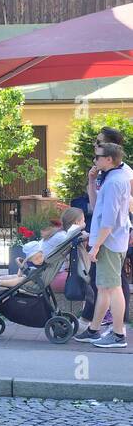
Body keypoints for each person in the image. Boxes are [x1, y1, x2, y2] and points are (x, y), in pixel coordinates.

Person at [76, 142, 129, 348]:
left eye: (97, 157)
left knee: (113, 288)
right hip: (110, 241)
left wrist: (96, 246)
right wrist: (91, 181)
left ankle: (118, 335)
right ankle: (94, 329)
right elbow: (98, 205)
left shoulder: (115, 181)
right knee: (104, 287)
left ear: (109, 159)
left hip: (109, 243)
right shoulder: (111, 178)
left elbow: (109, 219)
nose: (94, 160)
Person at [0, 207, 85, 289]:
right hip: (41, 267)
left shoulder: (58, 232)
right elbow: (74, 232)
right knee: (24, 280)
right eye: (83, 221)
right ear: (76, 222)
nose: (84, 223)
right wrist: (82, 228)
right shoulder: (63, 236)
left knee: (21, 277)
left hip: (37, 263)